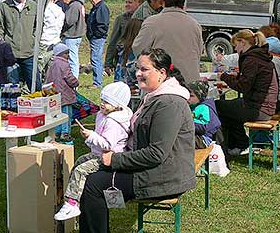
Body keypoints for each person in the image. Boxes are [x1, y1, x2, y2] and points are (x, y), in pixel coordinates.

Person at [78, 48, 196, 233]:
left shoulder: (169, 103)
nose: (138, 73)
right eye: (137, 68)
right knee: (88, 173)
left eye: (144, 69)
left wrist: (115, 160)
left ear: (162, 73)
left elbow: (156, 154)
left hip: (163, 176)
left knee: (94, 185)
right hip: (156, 169)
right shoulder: (155, 96)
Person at [54, 81, 132, 221]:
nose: (102, 104)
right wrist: (91, 136)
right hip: (99, 153)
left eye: (106, 102)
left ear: (118, 105)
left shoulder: (114, 122)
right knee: (79, 162)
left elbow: (108, 144)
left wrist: (91, 136)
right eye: (102, 100)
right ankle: (76, 195)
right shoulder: (104, 115)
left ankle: (72, 203)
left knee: (81, 170)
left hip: (109, 157)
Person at [215, 29, 278, 156]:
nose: (235, 49)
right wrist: (236, 76)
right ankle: (239, 143)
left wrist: (224, 76)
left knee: (216, 106)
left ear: (242, 43)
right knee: (230, 107)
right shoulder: (259, 57)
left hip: (259, 109)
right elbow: (251, 81)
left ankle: (235, 144)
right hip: (266, 106)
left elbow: (243, 86)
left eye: (236, 46)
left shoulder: (251, 59)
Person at [0, 0, 42, 91]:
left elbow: (38, 27)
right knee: (12, 88)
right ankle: (13, 109)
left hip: (29, 53)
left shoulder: (34, 7)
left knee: (36, 85)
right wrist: (2, 48)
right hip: (10, 53)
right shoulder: (4, 7)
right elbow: (0, 29)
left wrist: (33, 40)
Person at [104, 0, 145, 77]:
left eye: (130, 2)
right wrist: (108, 62)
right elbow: (113, 41)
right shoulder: (121, 19)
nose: (127, 4)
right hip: (124, 57)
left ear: (139, 3)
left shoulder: (147, 19)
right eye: (126, 2)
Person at [45, 43, 79, 143]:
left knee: (56, 115)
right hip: (65, 95)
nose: (68, 55)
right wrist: (76, 82)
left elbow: (47, 78)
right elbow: (69, 77)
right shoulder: (64, 64)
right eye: (66, 53)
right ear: (61, 54)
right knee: (66, 115)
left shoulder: (52, 64)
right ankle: (65, 133)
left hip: (54, 94)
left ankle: (56, 132)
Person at [38, 0, 65, 79]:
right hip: (55, 41)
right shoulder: (58, 9)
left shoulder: (42, 8)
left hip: (44, 41)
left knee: (38, 69)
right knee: (50, 72)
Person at [59, 0, 86, 78]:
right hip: (77, 35)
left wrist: (61, 29)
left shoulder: (74, 6)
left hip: (72, 36)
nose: (62, 1)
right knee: (73, 58)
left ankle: (74, 79)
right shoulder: (79, 4)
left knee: (72, 59)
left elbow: (69, 21)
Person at [86, 0, 110, 88]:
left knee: (95, 59)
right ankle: (97, 81)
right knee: (95, 58)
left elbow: (103, 24)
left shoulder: (102, 8)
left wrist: (96, 35)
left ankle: (97, 83)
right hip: (95, 37)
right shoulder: (95, 8)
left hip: (97, 38)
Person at [188, 80, 222, 149]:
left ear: (200, 97)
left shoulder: (204, 108)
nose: (188, 98)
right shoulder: (193, 105)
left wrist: (186, 124)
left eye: (191, 96)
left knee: (180, 140)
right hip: (197, 136)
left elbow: (203, 127)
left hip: (204, 139)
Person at [114, 18, 143, 86]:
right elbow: (133, 71)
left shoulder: (121, 46)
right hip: (130, 87)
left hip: (118, 83)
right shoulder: (134, 51)